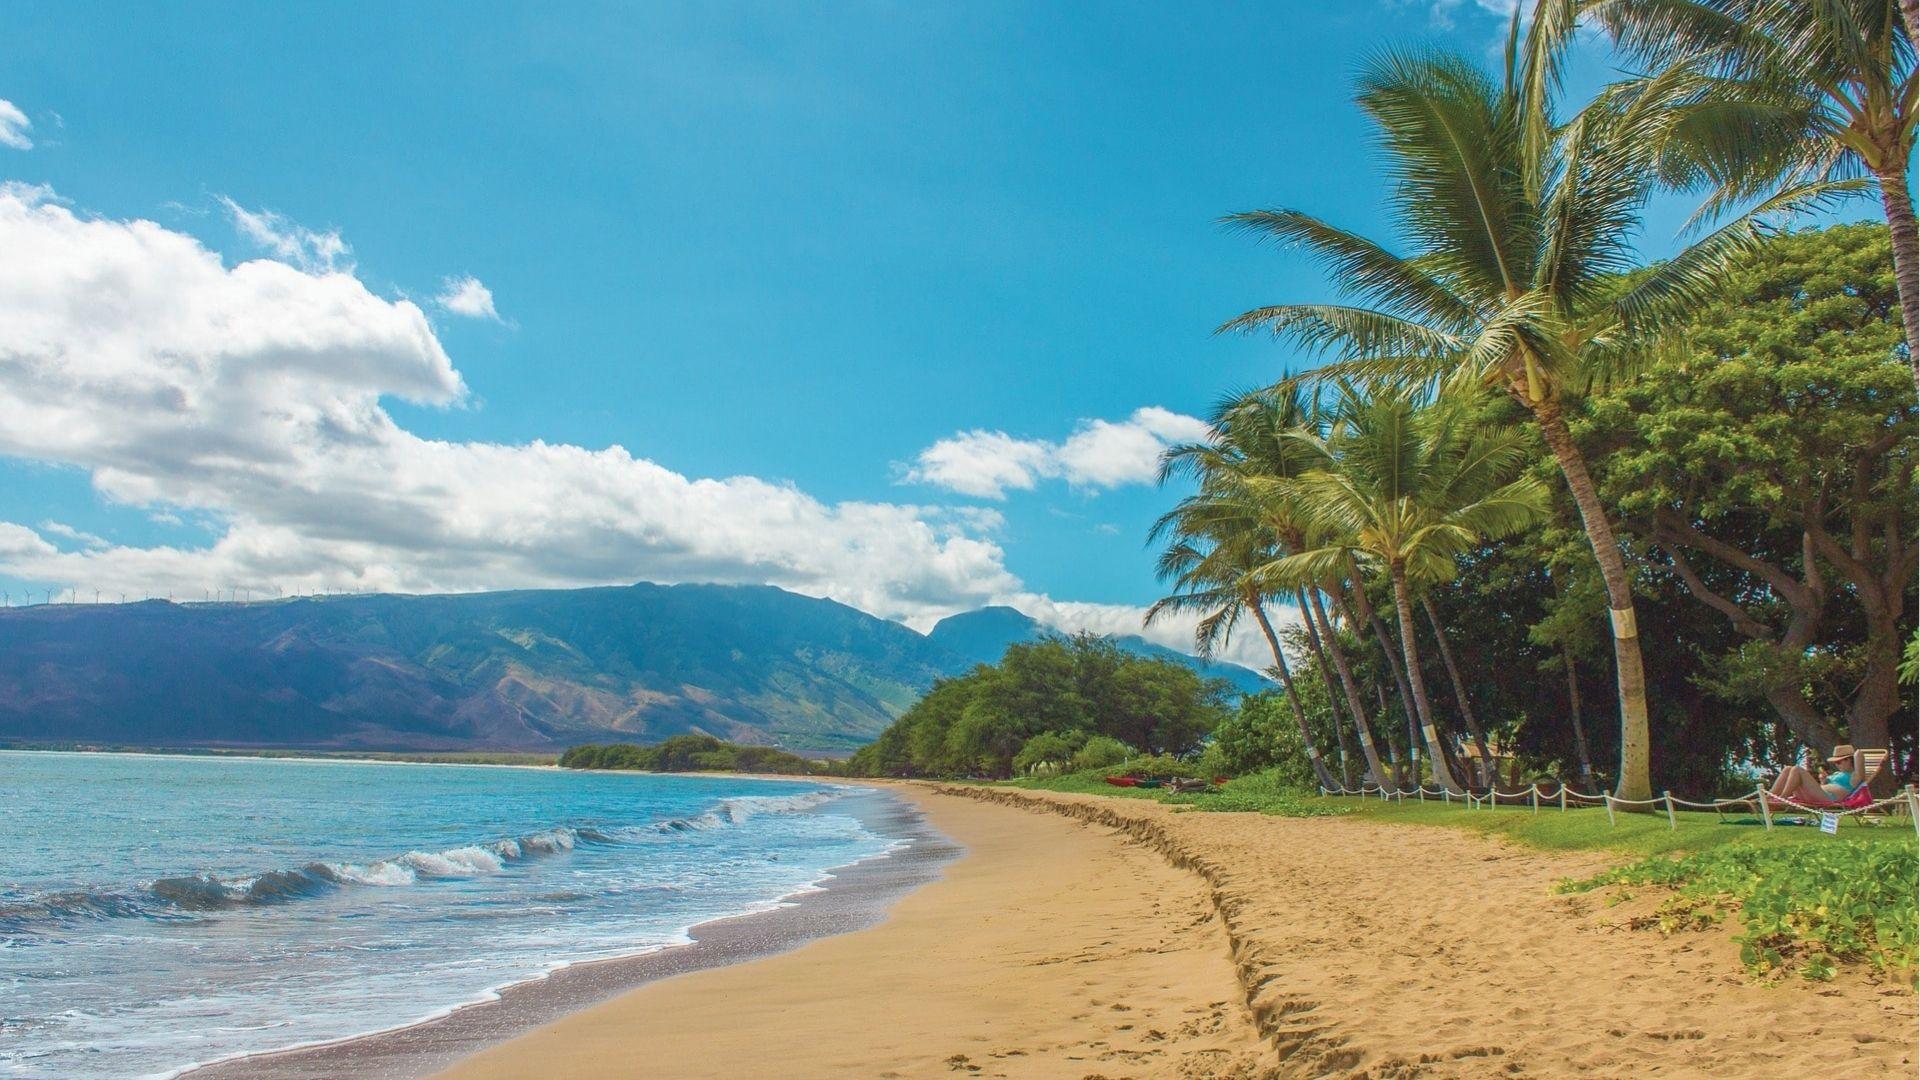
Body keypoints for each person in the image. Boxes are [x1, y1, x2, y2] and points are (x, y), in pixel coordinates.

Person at [1769, 744, 1859, 805]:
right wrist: (1823, 781)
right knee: (1788, 769)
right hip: (1817, 795)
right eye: (1835, 763)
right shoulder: (1837, 773)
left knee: (1797, 769)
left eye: (1839, 762)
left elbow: (1859, 757)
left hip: (1829, 798)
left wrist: (1855, 755)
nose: (1836, 765)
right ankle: (1768, 797)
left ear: (1850, 760)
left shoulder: (1855, 776)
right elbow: (1824, 786)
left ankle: (1782, 798)